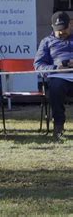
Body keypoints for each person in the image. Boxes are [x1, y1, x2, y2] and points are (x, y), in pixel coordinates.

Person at [34, 11, 73, 142]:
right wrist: (56, 68)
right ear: (52, 27)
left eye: (64, 29)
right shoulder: (46, 42)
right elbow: (38, 65)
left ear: (70, 25)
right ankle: (58, 125)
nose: (61, 32)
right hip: (59, 77)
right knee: (55, 87)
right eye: (58, 30)